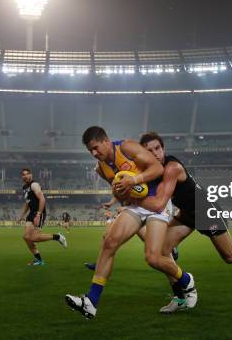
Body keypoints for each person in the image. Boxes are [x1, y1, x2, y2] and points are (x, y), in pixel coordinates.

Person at [139, 132, 232, 313]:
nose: (155, 153)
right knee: (162, 251)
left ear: (163, 149)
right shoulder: (151, 171)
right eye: (149, 151)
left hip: (206, 211)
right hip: (186, 214)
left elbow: (160, 201)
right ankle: (180, 297)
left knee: (230, 256)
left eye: (157, 148)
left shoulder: (172, 167)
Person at [65, 126, 196, 319]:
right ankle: (91, 301)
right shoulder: (101, 168)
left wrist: (134, 180)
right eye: (90, 150)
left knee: (153, 257)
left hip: (156, 203)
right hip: (135, 205)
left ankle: (185, 279)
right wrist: (119, 193)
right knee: (109, 242)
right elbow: (118, 190)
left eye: (95, 147)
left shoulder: (126, 148)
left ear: (106, 141)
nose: (94, 153)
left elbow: (157, 168)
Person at [19, 168, 67, 266]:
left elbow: (42, 199)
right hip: (31, 213)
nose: (26, 176)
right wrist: (21, 216)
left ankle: (58, 237)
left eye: (27, 174)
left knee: (35, 237)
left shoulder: (34, 185)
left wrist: (38, 215)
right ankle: (39, 260)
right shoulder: (25, 187)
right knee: (27, 237)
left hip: (38, 213)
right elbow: (27, 203)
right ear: (22, 177)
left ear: (31, 175)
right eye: (23, 174)